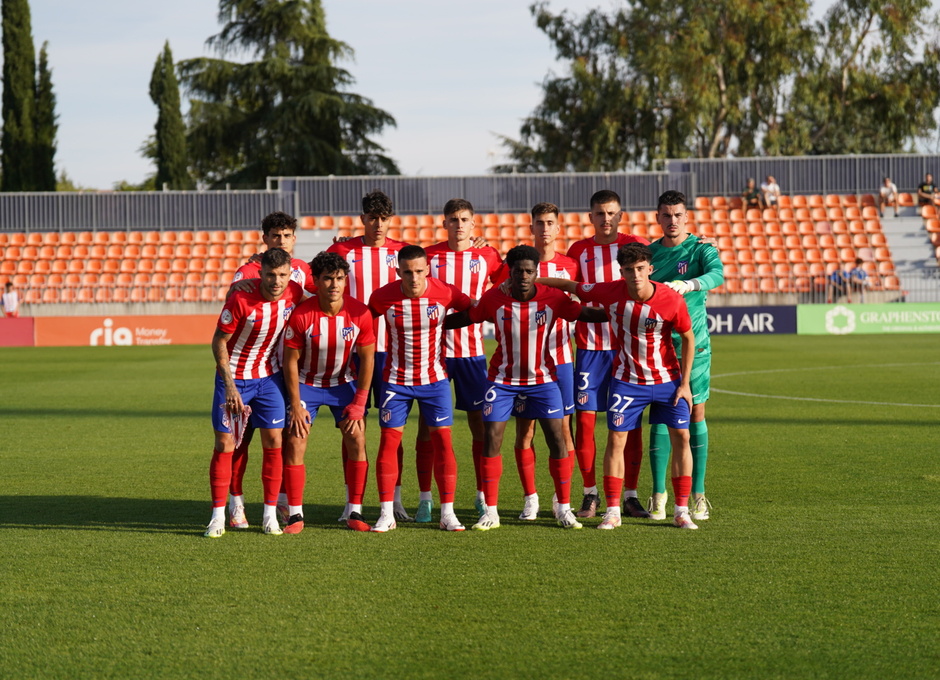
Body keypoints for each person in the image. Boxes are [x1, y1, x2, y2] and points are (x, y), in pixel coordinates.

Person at [445, 245, 608, 531]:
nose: (523, 276)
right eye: (518, 270)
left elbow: (584, 313)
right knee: (492, 439)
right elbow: (466, 318)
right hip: (502, 380)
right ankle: (491, 513)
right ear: (509, 271)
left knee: (557, 439)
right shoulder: (494, 299)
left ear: (536, 273)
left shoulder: (553, 298)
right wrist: (429, 322)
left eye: (529, 271)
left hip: (544, 380)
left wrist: (620, 307)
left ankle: (564, 509)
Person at [540, 243, 699, 530]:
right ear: (621, 272)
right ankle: (613, 510)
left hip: (667, 381)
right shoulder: (610, 291)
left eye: (640, 269)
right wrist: (530, 280)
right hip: (627, 382)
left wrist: (685, 384)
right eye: (629, 270)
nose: (635, 275)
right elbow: (570, 284)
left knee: (682, 439)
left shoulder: (671, 299)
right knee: (616, 441)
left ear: (650, 270)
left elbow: (688, 338)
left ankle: (681, 510)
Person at [367, 245, 474, 532]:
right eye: (407, 272)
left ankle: (447, 513)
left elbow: (473, 309)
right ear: (398, 271)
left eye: (418, 271)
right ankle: (386, 513)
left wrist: (443, 324)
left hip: (435, 381)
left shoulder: (445, 292)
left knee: (444, 443)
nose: (413, 278)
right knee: (389, 443)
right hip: (395, 381)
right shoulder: (382, 297)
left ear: (427, 269)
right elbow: (365, 322)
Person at [205, 247, 305, 538]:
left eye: (283, 275)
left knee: (274, 441)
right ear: (260, 273)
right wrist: (230, 386)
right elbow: (218, 342)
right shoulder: (241, 299)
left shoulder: (294, 293)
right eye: (271, 275)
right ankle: (217, 517)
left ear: (290, 274)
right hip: (234, 379)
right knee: (226, 444)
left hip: (269, 380)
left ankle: (270, 516)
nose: (277, 281)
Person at [327, 191, 411, 521]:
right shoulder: (342, 251)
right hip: (351, 355)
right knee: (352, 428)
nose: (378, 224)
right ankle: (353, 503)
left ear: (391, 220)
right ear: (362, 219)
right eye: (372, 218)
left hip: (392, 355)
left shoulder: (403, 254)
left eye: (384, 218)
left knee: (394, 430)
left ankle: (395, 499)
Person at [228, 210, 316, 524]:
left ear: (295, 238)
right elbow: (233, 301)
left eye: (287, 235)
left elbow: (324, 296)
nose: (282, 240)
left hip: (282, 371)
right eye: (275, 235)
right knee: (241, 439)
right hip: (246, 369)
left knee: (281, 437)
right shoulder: (249, 270)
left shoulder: (303, 270)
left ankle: (278, 501)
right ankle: (235, 501)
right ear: (264, 238)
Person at [565, 189, 649, 519]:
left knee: (632, 425)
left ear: (621, 215)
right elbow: (569, 288)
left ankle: (630, 494)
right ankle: (589, 494)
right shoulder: (579, 251)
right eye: (600, 213)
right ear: (591, 217)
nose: (606, 218)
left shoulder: (634, 245)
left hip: (628, 349)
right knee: (585, 424)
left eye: (612, 212)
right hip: (590, 348)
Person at [420, 198, 504, 522]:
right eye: (453, 219)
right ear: (444, 224)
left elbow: (504, 281)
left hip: (471, 354)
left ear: (473, 223)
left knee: (478, 426)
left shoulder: (487, 254)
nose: (458, 224)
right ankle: (426, 498)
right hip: (435, 355)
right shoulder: (430, 255)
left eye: (464, 219)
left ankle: (482, 495)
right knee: (429, 428)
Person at [280, 251, 376, 534]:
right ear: (316, 281)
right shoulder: (302, 314)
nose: (334, 285)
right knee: (296, 440)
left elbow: (368, 359)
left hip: (343, 384)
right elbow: (290, 361)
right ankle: (295, 514)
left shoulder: (360, 313)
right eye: (327, 279)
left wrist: (360, 402)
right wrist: (296, 404)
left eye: (339, 279)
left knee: (357, 438)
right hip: (307, 385)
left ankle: (354, 511)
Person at [647, 190, 724, 522]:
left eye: (678, 215)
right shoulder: (649, 254)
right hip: (657, 348)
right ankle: (658, 495)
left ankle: (698, 494)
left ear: (687, 217)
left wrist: (690, 284)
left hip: (695, 347)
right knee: (661, 415)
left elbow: (717, 275)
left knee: (695, 414)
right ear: (658, 218)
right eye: (666, 215)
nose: (672, 221)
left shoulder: (701, 249)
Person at [503, 203, 579, 521]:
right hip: (524, 363)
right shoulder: (519, 263)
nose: (545, 228)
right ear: (531, 227)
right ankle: (530, 497)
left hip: (560, 359)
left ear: (558, 228)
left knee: (562, 432)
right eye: (539, 223)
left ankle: (562, 499)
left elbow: (586, 296)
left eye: (550, 223)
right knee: (525, 431)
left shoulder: (572, 265)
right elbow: (497, 288)